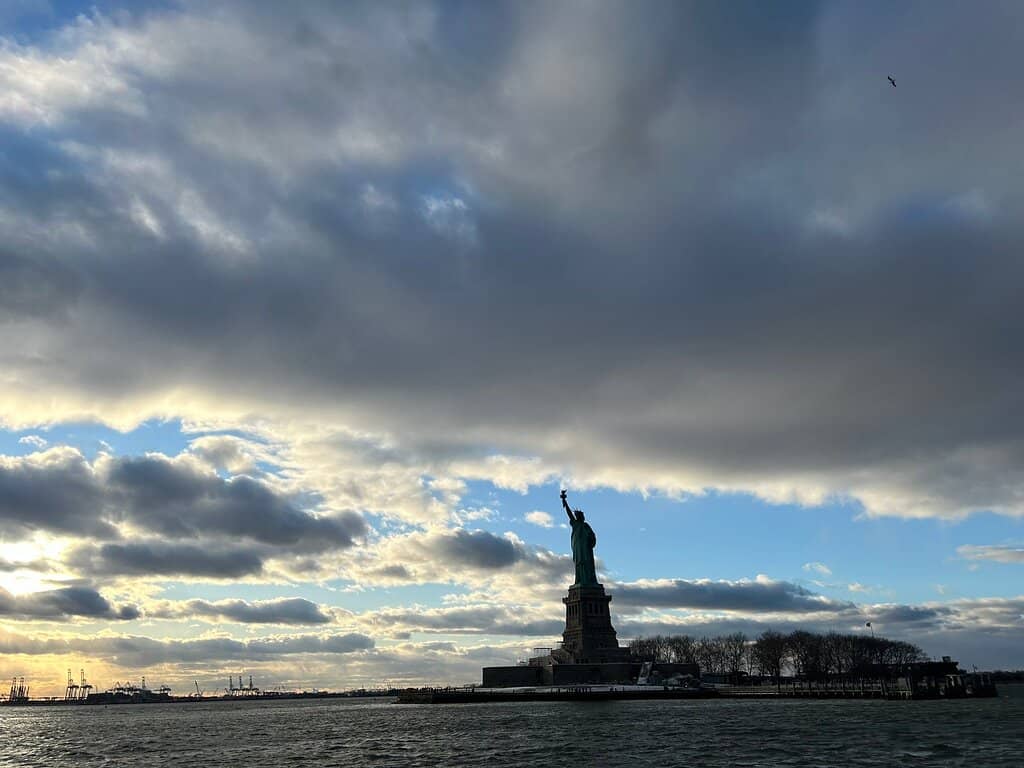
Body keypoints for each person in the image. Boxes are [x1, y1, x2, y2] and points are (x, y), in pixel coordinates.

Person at [561, 489, 598, 586]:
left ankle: (589, 581)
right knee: (580, 563)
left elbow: (592, 536)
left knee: (588, 564)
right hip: (578, 548)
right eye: (581, 515)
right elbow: (569, 514)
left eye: (582, 515)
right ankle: (580, 580)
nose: (583, 516)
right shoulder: (575, 524)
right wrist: (565, 501)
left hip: (586, 548)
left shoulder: (586, 525)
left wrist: (591, 540)